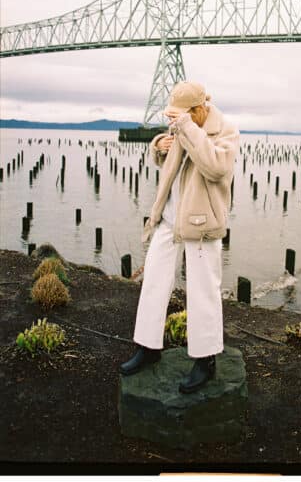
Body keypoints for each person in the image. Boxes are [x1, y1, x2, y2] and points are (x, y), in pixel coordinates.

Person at [120, 80, 240, 393]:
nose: (174, 122)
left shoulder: (226, 130)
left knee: (203, 291)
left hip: (202, 222)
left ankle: (205, 360)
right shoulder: (184, 125)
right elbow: (171, 156)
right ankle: (148, 347)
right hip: (168, 219)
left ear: (200, 109)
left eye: (179, 117)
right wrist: (159, 145)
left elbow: (215, 168)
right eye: (172, 119)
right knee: (154, 283)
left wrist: (187, 129)